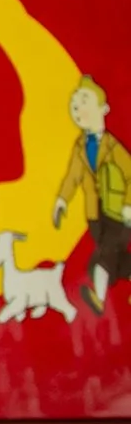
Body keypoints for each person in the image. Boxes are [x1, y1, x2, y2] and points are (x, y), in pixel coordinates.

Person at [52, 80, 131, 310]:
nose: (78, 111)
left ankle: (99, 298)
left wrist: (128, 205)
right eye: (75, 106)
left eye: (84, 102)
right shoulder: (79, 147)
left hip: (118, 212)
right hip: (94, 212)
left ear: (103, 109)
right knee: (114, 259)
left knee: (103, 257)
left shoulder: (113, 147)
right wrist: (61, 200)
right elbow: (72, 177)